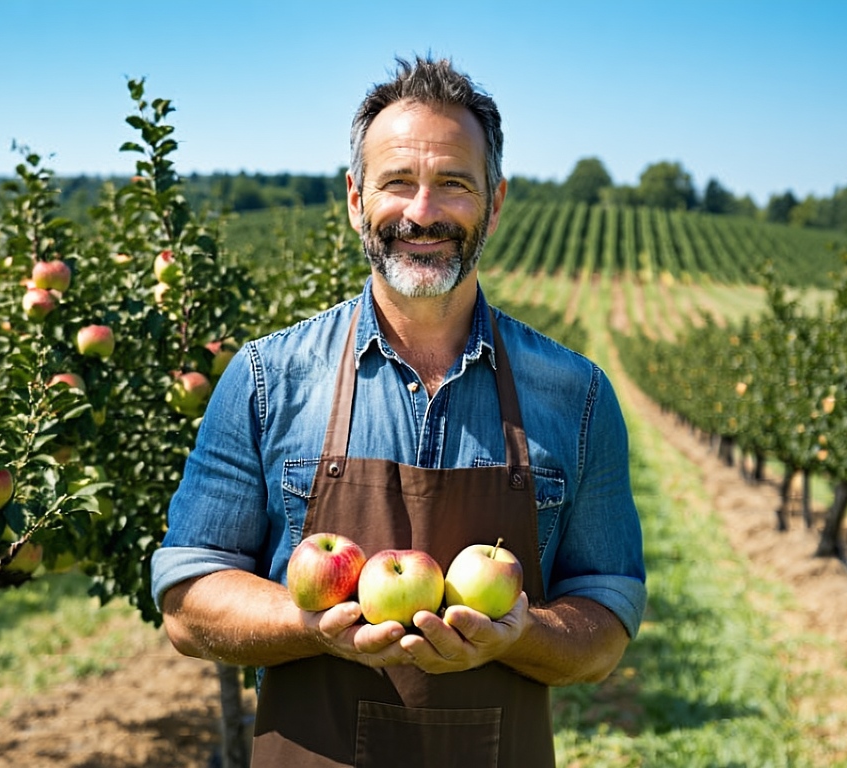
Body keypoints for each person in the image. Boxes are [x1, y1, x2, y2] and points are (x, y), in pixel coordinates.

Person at [151, 56, 646, 768]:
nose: (422, 212)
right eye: (397, 183)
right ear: (356, 199)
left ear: (495, 203)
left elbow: (607, 620)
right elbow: (187, 599)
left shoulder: (577, 394)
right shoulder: (267, 379)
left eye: (452, 183)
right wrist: (309, 622)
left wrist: (522, 633)